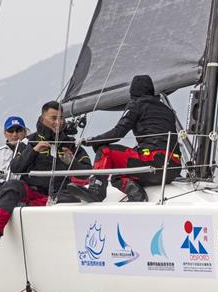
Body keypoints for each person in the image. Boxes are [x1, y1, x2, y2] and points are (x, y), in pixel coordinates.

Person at [0, 102, 91, 248]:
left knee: (76, 195)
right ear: (42, 118)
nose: (58, 122)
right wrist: (34, 151)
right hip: (33, 193)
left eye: (61, 118)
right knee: (13, 185)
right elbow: (16, 167)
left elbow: (87, 173)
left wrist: (72, 162)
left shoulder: (71, 144)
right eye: (53, 118)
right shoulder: (28, 142)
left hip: (61, 196)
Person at [68, 74, 182, 203]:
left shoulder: (136, 105)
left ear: (132, 92)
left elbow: (118, 133)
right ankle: (136, 193)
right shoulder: (168, 110)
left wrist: (92, 141)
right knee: (118, 174)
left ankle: (97, 190)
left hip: (153, 163)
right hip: (172, 169)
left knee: (105, 151)